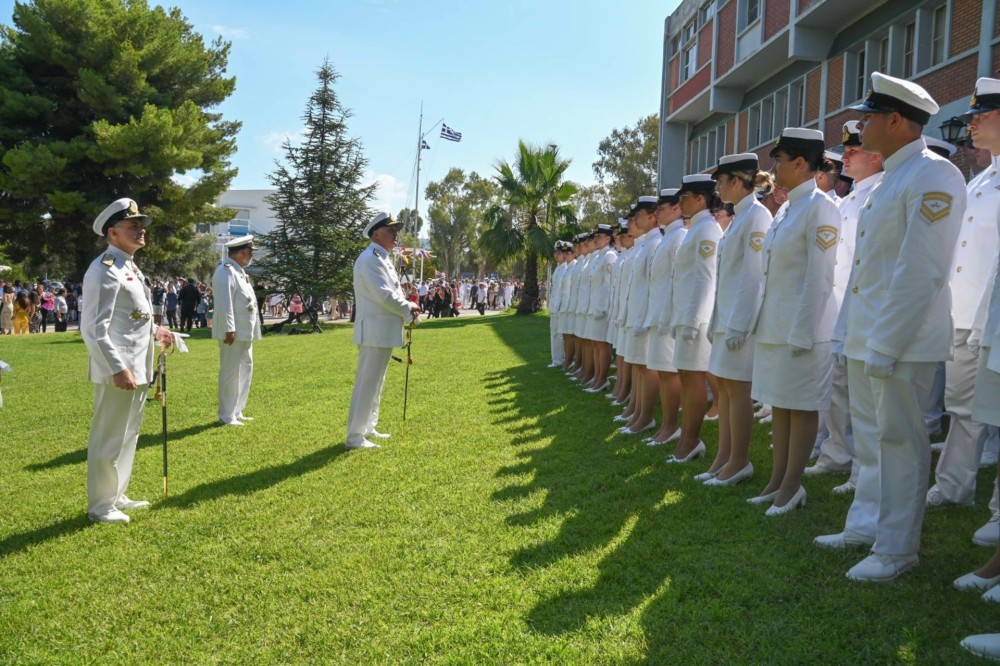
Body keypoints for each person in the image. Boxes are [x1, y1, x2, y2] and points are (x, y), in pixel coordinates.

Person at [815, 72, 966, 582]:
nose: (860, 126)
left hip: (900, 340)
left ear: (896, 121)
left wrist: (886, 342)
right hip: (867, 335)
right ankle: (866, 526)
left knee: (900, 442)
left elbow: (921, 271)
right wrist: (852, 336)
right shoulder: (889, 180)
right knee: (872, 440)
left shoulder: (933, 176)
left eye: (869, 118)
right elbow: (867, 270)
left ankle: (898, 548)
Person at [748, 127, 839, 515]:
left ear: (801, 163)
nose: (775, 167)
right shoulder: (787, 208)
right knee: (782, 405)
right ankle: (777, 481)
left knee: (800, 407)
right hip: (776, 324)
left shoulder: (821, 207)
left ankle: (792, 486)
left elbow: (820, 276)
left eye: (780, 160)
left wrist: (802, 332)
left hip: (803, 328)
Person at [927, 77, 1000, 511]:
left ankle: (988, 504)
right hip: (965, 311)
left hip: (989, 314)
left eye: (981, 116)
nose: (971, 124)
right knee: (964, 409)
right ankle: (955, 486)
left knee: (983, 410)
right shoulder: (982, 178)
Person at [81, 198, 175, 524]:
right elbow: (94, 329)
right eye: (132, 225)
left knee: (128, 434)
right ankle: (101, 505)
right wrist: (117, 368)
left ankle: (117, 494)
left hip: (137, 367)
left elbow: (132, 318)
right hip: (119, 369)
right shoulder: (104, 269)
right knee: (109, 436)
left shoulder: (128, 265)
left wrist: (158, 331)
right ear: (112, 232)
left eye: (141, 224)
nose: (140, 230)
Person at [804, 121, 884, 491]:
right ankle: (836, 453)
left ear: (876, 155)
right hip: (839, 308)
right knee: (837, 389)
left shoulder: (880, 193)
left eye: (855, 150)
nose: (846, 156)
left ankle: (862, 471)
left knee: (868, 403)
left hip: (866, 310)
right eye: (846, 150)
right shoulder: (849, 199)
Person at [701, 154, 773, 485]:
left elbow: (752, 277)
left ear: (734, 181)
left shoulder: (757, 216)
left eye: (720, 181)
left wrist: (738, 325)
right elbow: (726, 280)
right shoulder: (739, 218)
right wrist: (719, 321)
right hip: (727, 320)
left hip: (739, 324)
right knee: (726, 392)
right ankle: (724, 457)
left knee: (737, 392)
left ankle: (739, 461)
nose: (717, 187)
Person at [346, 212, 421, 450]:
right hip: (374, 330)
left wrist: (407, 309)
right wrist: (408, 309)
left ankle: (368, 427)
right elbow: (384, 296)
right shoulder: (370, 259)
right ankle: (355, 436)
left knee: (376, 382)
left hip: (383, 329)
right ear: (376, 233)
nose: (395, 234)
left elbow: (392, 294)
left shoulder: (382, 258)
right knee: (367, 382)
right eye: (391, 230)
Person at [666, 175, 723, 462]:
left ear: (700, 199)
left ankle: (691, 440)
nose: (680, 203)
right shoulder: (697, 229)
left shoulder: (707, 230)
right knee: (688, 379)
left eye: (685, 197)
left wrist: (692, 320)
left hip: (697, 321)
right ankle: (688, 439)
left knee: (694, 380)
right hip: (687, 317)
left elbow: (705, 279)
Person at [212, 237, 262, 427]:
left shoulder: (239, 272)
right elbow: (225, 305)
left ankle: (237, 410)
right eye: (250, 252)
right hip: (233, 332)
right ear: (242, 253)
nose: (251, 256)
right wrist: (229, 329)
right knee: (231, 373)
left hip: (244, 331)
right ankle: (226, 415)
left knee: (245, 369)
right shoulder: (225, 272)